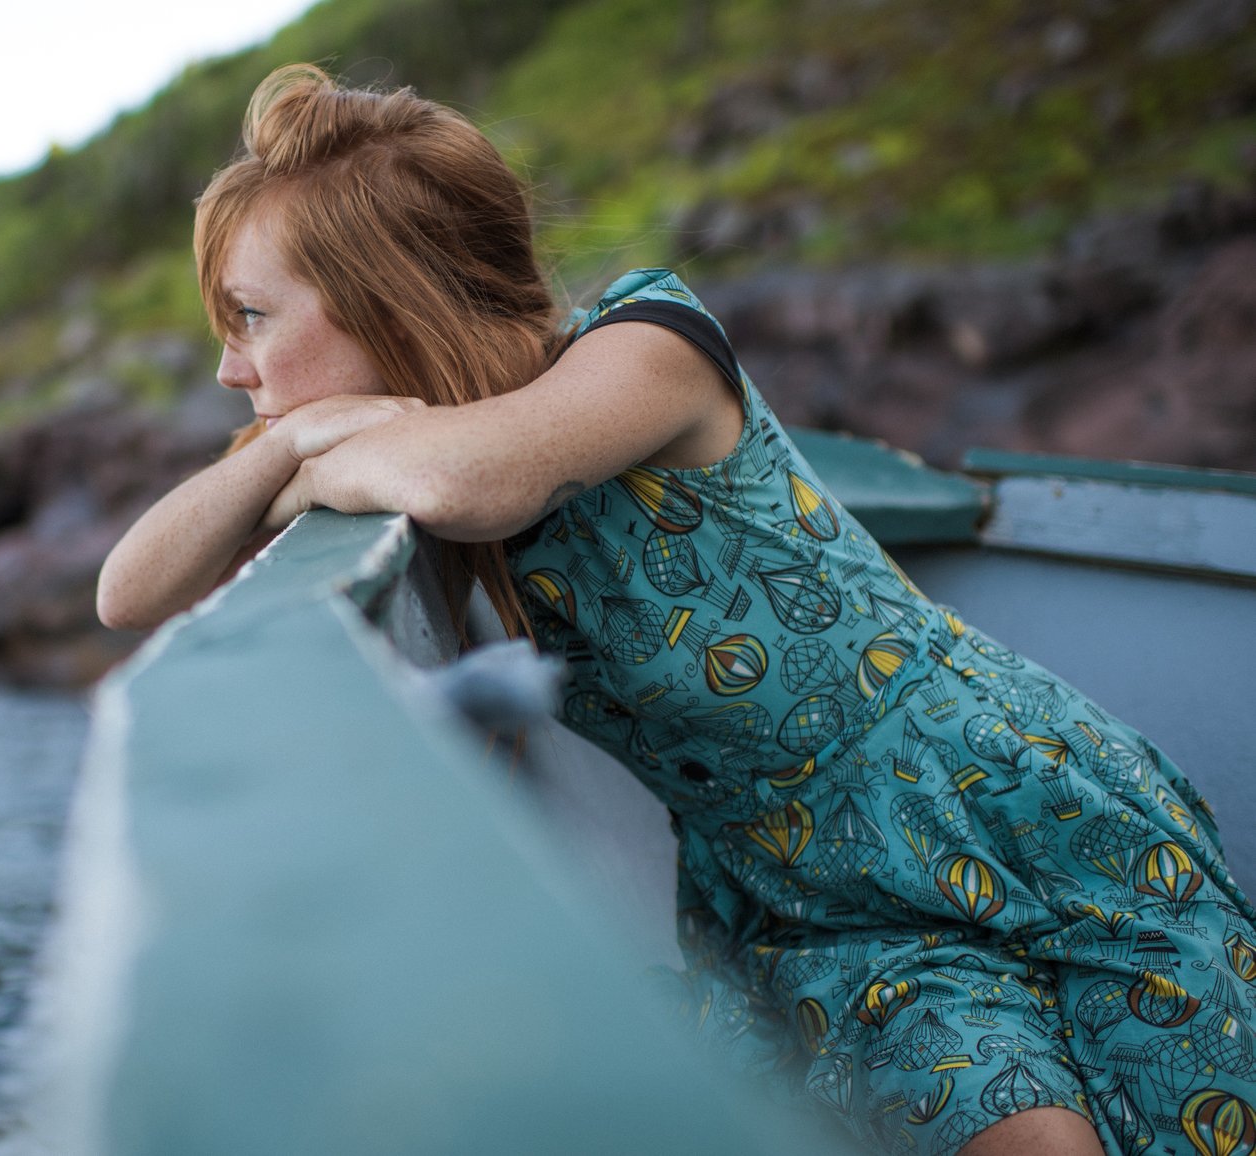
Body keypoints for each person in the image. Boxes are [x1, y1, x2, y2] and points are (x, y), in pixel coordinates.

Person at [96, 64, 1256, 1156]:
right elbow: (128, 590)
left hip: (1008, 815)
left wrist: (309, 444)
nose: (228, 372)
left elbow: (468, 480)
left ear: (384, 294)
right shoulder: (388, 456)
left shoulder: (652, 343)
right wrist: (289, 445)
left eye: (247, 316)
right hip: (817, 906)